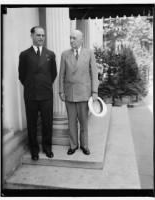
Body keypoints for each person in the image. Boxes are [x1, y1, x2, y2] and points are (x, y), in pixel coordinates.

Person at [18, 26, 57, 161]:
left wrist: (44, 84)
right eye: (38, 35)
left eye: (43, 35)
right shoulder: (24, 54)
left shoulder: (50, 54)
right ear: (32, 36)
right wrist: (31, 86)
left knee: (47, 123)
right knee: (32, 123)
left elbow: (53, 74)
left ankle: (47, 148)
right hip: (31, 94)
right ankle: (34, 150)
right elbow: (22, 75)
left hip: (46, 94)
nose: (41, 38)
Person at [59, 29, 98, 155]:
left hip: (84, 94)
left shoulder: (89, 53)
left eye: (74, 38)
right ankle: (73, 145)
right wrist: (61, 91)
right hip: (70, 94)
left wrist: (94, 91)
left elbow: (94, 73)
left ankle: (84, 145)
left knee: (84, 122)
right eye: (70, 38)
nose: (71, 41)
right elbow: (61, 75)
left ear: (81, 40)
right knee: (71, 122)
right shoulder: (65, 54)